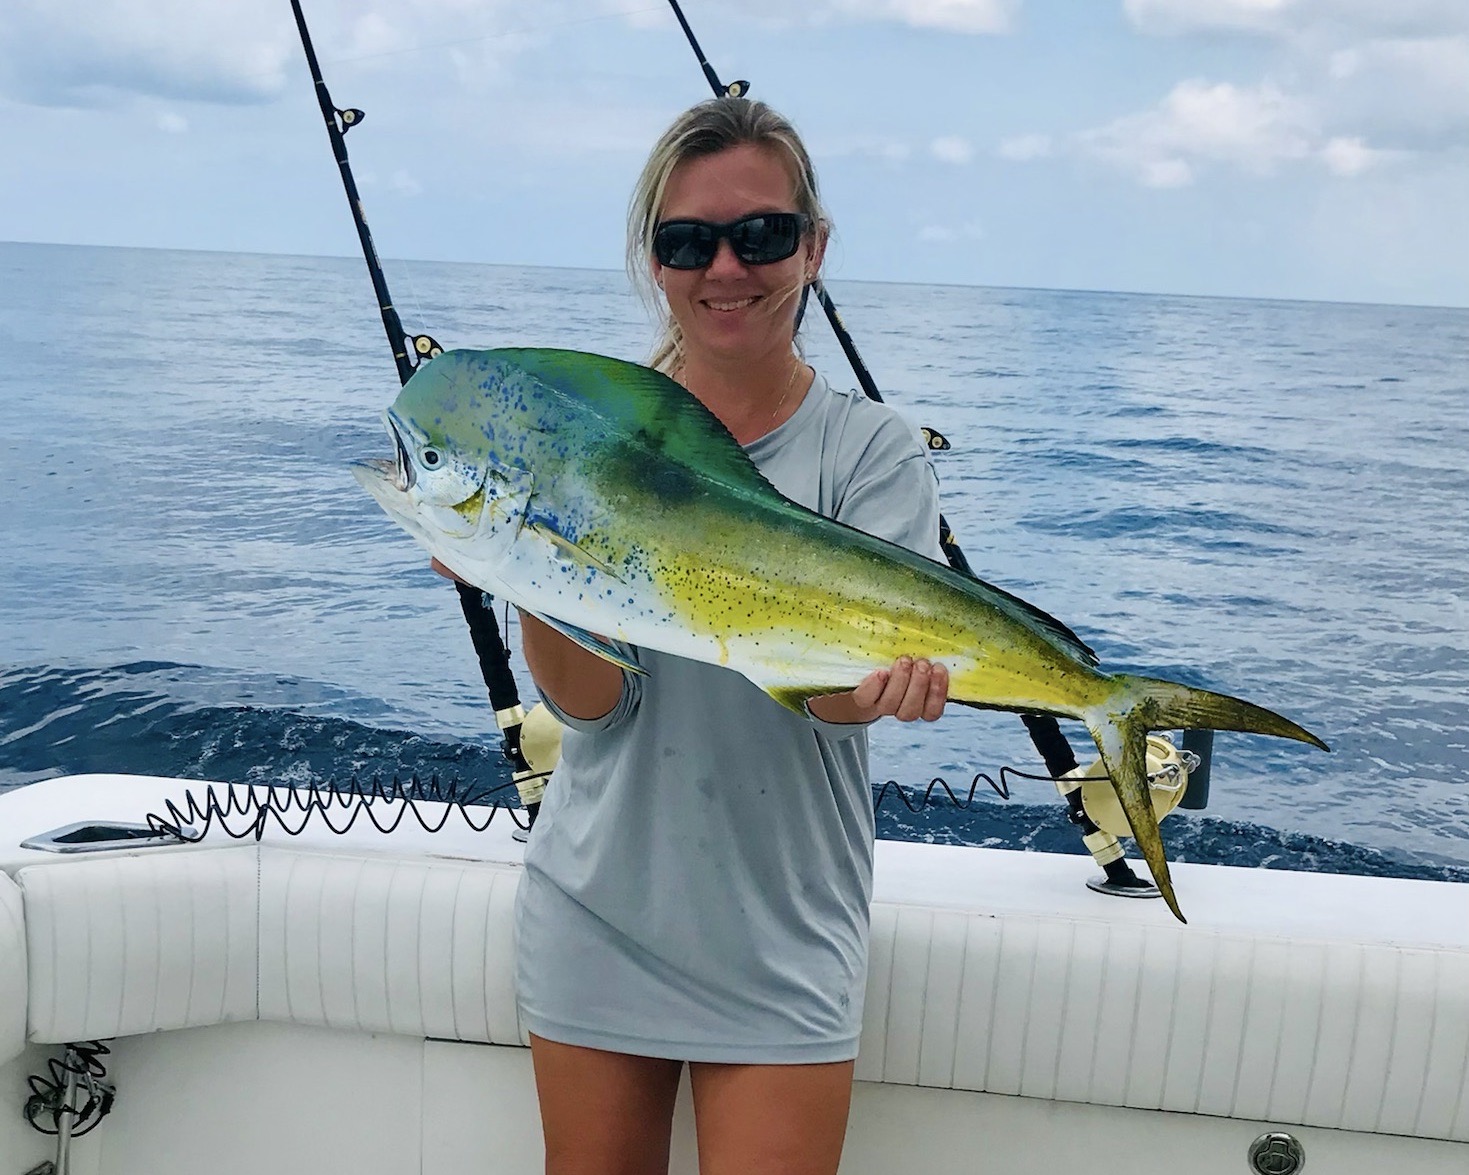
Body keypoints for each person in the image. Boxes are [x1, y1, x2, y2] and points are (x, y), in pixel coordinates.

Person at [513, 97, 951, 1175]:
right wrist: (519, 566)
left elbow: (843, 701)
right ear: (653, 260)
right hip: (595, 908)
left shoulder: (871, 450)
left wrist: (880, 688)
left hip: (784, 929)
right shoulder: (590, 444)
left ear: (812, 247)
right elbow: (590, 703)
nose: (724, 268)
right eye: (685, 242)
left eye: (759, 235)